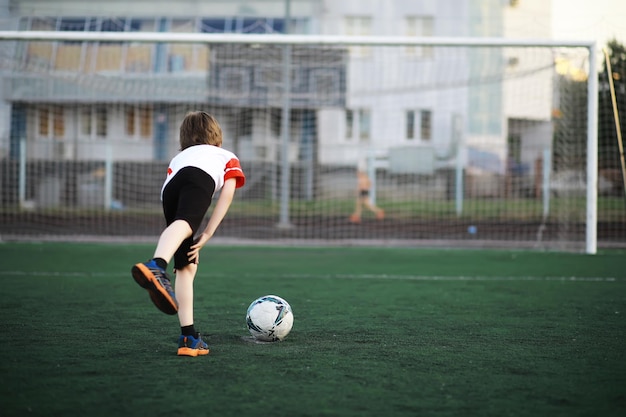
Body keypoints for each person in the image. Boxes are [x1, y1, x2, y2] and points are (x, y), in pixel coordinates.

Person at [131, 111, 245, 357]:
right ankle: (156, 265)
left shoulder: (178, 157)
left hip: (170, 187)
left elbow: (175, 188)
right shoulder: (225, 155)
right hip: (198, 179)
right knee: (186, 225)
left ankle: (189, 337)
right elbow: (226, 195)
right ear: (216, 135)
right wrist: (208, 232)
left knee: (186, 265)